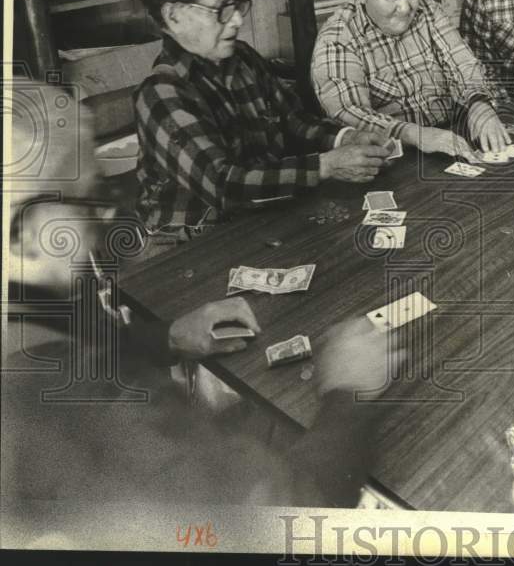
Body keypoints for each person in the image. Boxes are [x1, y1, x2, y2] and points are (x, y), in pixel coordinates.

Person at [3, 79, 403, 520]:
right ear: (22, 237)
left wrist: (167, 338)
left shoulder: (34, 307)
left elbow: (83, 338)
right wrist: (350, 392)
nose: (108, 217)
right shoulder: (79, 404)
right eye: (89, 202)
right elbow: (285, 517)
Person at [133, 0, 392, 240]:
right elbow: (224, 184)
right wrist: (327, 165)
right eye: (220, 9)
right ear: (174, 15)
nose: (235, 22)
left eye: (236, 5)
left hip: (259, 218)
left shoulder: (243, 57)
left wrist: (345, 138)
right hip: (191, 243)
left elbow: (294, 121)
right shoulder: (160, 93)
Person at [311, 0, 508, 160]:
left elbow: (463, 63)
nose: (405, 8)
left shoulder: (428, 10)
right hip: (394, 158)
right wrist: (417, 135)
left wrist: (478, 102)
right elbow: (350, 114)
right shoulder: (337, 39)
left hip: (451, 141)